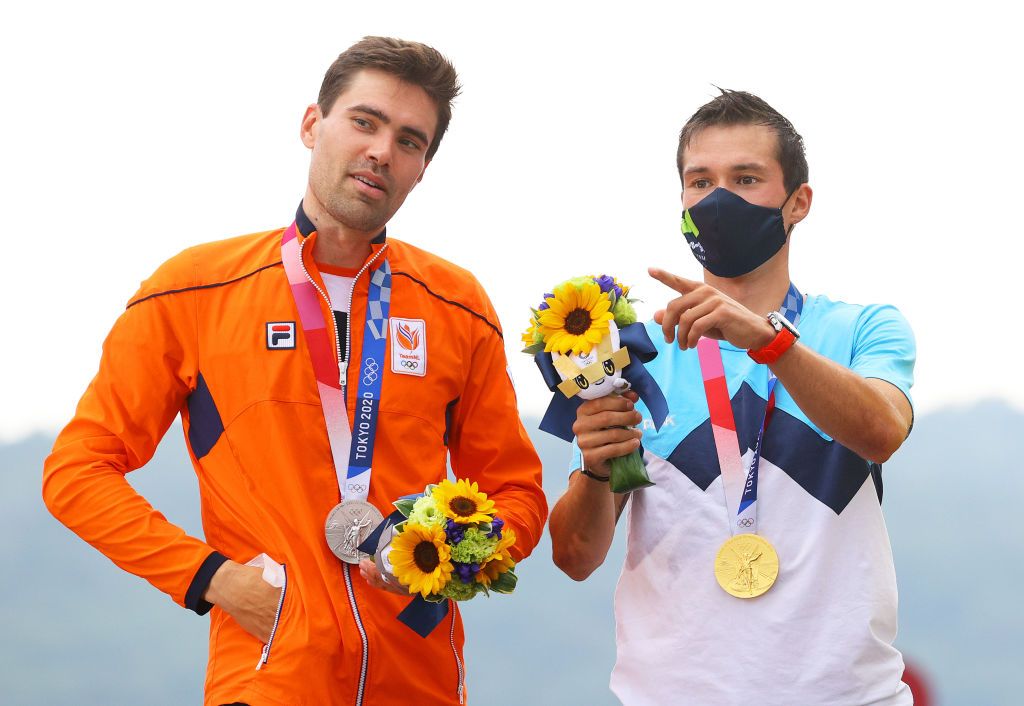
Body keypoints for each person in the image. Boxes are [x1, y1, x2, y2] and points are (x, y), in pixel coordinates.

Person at [43, 36, 547, 706]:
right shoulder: (193, 291)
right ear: (313, 125)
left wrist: (447, 558)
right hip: (270, 674)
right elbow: (77, 471)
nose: (380, 151)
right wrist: (211, 577)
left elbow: (516, 493)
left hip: (418, 679)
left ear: (422, 167)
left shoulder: (459, 306)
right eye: (364, 122)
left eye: (409, 140)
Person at [548, 90, 915, 705]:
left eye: (746, 178)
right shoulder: (634, 351)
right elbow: (576, 556)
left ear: (798, 202)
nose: (719, 199)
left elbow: (882, 431)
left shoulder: (863, 328)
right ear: (683, 201)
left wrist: (771, 343)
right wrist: (592, 468)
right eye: (701, 181)